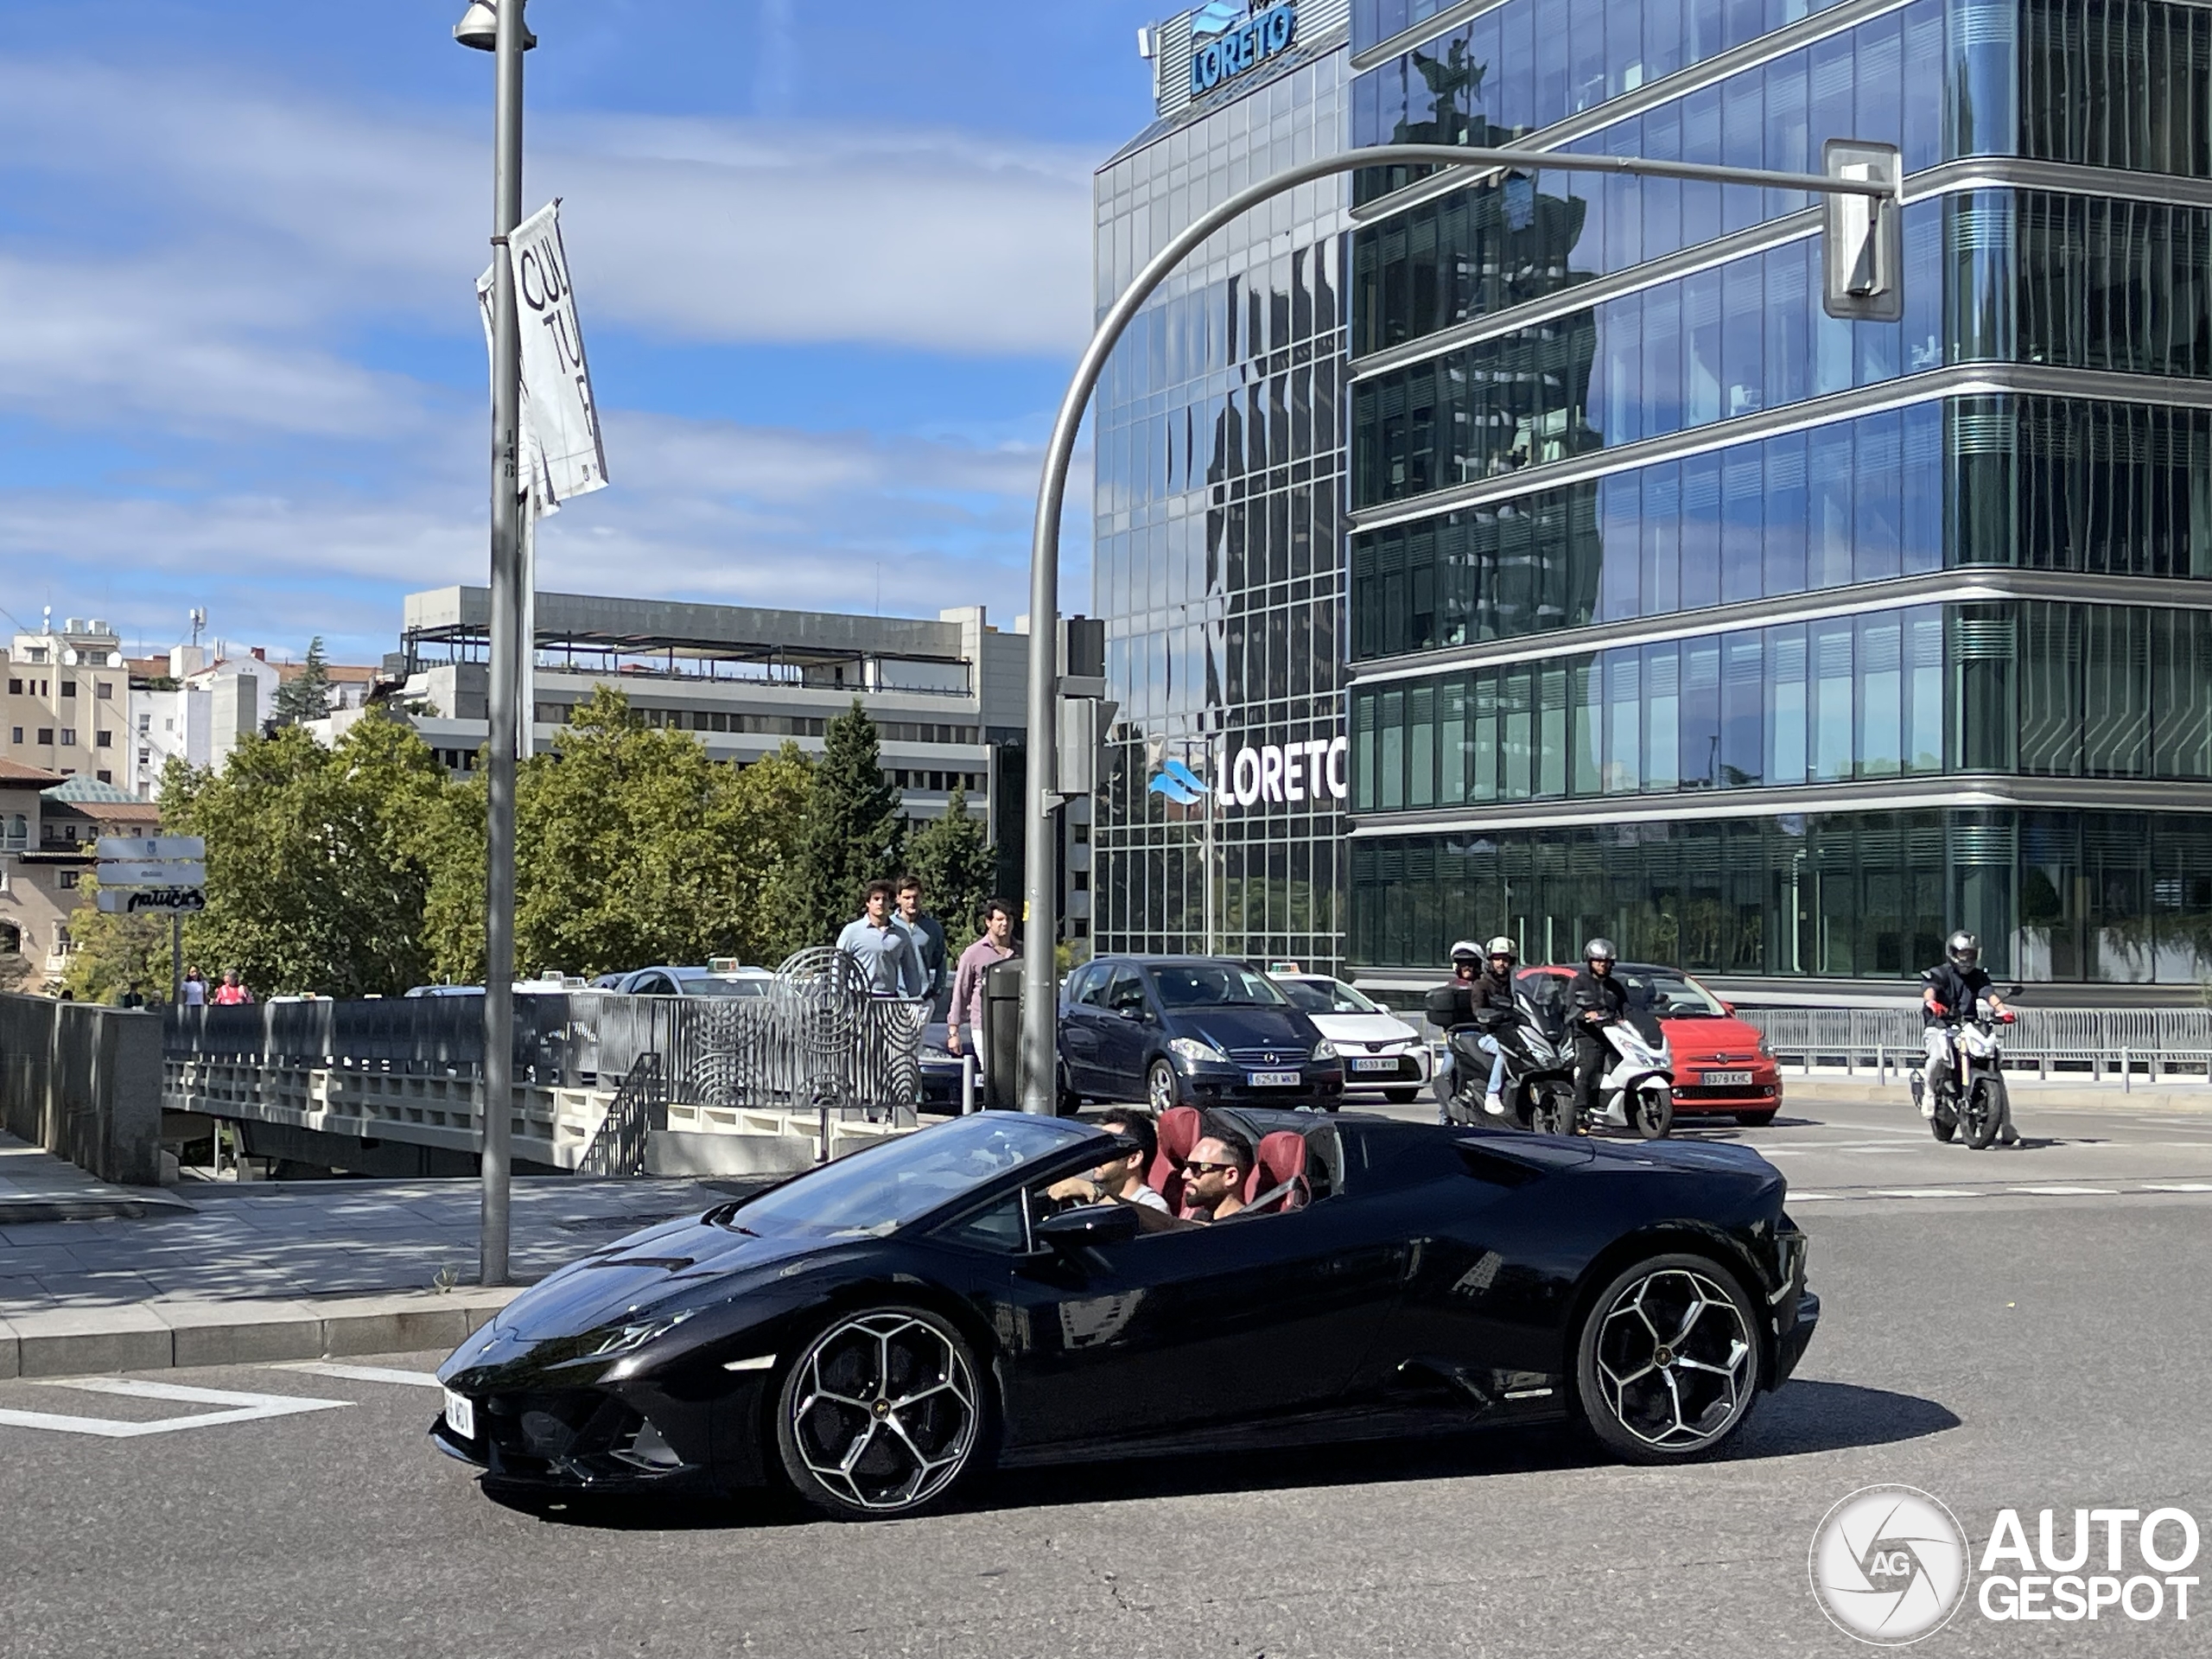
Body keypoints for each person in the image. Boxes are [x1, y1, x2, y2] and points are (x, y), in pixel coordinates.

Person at [1918, 931, 2014, 1142]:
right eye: (1962, 954)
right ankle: (1930, 1095)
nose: (1966, 959)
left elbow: (1989, 993)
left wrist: (2002, 1010)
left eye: (1970, 954)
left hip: (1968, 1026)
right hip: (1941, 1024)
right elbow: (1930, 990)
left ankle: (2007, 1125)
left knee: (1995, 1070)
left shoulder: (1978, 976)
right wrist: (1931, 1003)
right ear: (1952, 953)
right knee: (1936, 1055)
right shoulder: (1940, 973)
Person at [1046, 1109, 1174, 1220]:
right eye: (1096, 1146)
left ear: (1133, 1159)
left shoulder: (1152, 1205)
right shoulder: (1093, 1197)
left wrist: (1092, 1192)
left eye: (1107, 1148)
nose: (1096, 1155)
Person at [946, 899, 1018, 1065]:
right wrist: (953, 1031)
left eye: (1009, 919)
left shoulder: (1022, 952)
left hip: (1015, 1025)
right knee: (992, 1071)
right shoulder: (973, 954)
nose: (1005, 924)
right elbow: (961, 993)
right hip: (983, 1025)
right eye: (999, 919)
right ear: (988, 922)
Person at [1566, 938, 1626, 1135]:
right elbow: (1570, 1009)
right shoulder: (1579, 982)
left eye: (1606, 961)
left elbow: (1627, 1008)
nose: (1602, 965)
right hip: (1588, 1035)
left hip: (1613, 1036)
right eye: (1598, 961)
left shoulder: (1615, 986)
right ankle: (1580, 1114)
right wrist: (1585, 1015)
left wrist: (1640, 1020)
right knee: (1589, 1069)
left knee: (1622, 1068)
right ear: (1589, 961)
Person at [834, 881, 926, 999]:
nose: (880, 903)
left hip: (889, 999)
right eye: (876, 899)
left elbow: (911, 970)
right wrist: (836, 997)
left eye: (885, 899)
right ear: (868, 902)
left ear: (890, 903)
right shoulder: (852, 931)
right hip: (859, 998)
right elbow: (839, 965)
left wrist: (915, 1000)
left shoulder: (901, 935)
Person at [1468, 937, 1520, 1117]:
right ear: (1490, 961)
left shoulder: (1518, 983)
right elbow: (1478, 1010)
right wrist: (1492, 1017)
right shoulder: (1481, 984)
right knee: (1505, 1051)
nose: (1501, 963)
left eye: (1505, 959)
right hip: (1491, 1035)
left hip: (1518, 1033)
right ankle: (1492, 1093)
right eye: (1497, 959)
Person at [893, 874, 949, 1005]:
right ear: (898, 898)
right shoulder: (889, 926)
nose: (912, 902)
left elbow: (941, 961)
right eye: (907, 898)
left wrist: (937, 991)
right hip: (893, 999)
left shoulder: (933, 928)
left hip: (922, 999)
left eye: (915, 897)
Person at [1178, 1130, 1252, 1224]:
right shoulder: (1200, 1216)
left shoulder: (1244, 1230)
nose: (1184, 1175)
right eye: (1186, 1165)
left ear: (1230, 1176)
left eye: (1196, 1168)